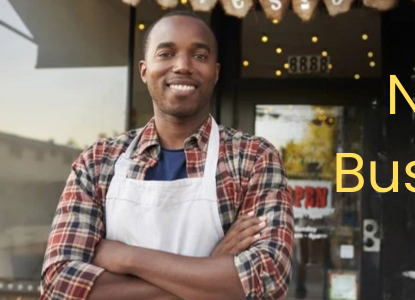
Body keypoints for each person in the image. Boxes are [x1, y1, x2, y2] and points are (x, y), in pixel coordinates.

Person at [39, 10, 294, 300]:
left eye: (199, 56)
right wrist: (210, 272)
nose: (183, 66)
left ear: (216, 72)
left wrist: (127, 257)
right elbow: (58, 286)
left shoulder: (253, 158)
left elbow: (267, 279)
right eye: (166, 53)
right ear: (144, 70)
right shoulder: (98, 162)